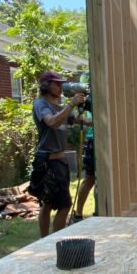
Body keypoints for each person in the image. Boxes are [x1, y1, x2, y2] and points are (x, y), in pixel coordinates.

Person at [28, 71, 86, 237]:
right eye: (57, 84)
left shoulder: (59, 108)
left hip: (59, 162)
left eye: (61, 84)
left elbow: (83, 121)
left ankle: (44, 241)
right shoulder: (41, 104)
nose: (61, 87)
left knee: (48, 204)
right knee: (63, 204)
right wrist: (71, 104)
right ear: (46, 85)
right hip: (47, 163)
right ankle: (54, 240)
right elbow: (52, 122)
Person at [70, 109, 95, 223]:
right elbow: (88, 120)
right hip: (92, 141)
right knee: (90, 179)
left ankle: (99, 212)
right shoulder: (93, 97)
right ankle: (78, 214)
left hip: (108, 138)